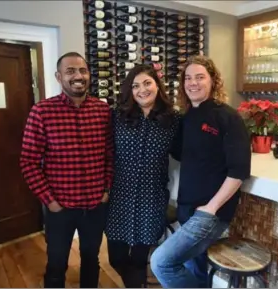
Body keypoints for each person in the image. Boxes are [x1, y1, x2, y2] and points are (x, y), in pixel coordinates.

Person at [150, 55, 251, 288]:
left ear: (213, 81)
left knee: (162, 263)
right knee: (194, 269)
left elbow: (239, 171)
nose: (193, 83)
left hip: (210, 213)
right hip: (187, 208)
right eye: (188, 78)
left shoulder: (228, 116)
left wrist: (211, 208)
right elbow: (179, 153)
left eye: (200, 77)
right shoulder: (187, 118)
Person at [20, 52, 113, 288]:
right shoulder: (41, 112)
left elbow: (111, 156)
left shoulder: (103, 112)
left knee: (91, 259)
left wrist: (106, 190)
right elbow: (28, 162)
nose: (78, 76)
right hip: (60, 208)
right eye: (70, 71)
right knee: (57, 263)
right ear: (58, 77)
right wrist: (50, 201)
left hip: (95, 205)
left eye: (82, 70)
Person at [105, 64, 182, 288]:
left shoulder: (173, 120)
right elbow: (106, 152)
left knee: (139, 261)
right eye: (136, 85)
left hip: (152, 199)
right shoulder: (117, 116)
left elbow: (183, 151)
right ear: (130, 90)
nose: (142, 90)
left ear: (157, 86)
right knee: (116, 258)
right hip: (120, 199)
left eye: (147, 83)